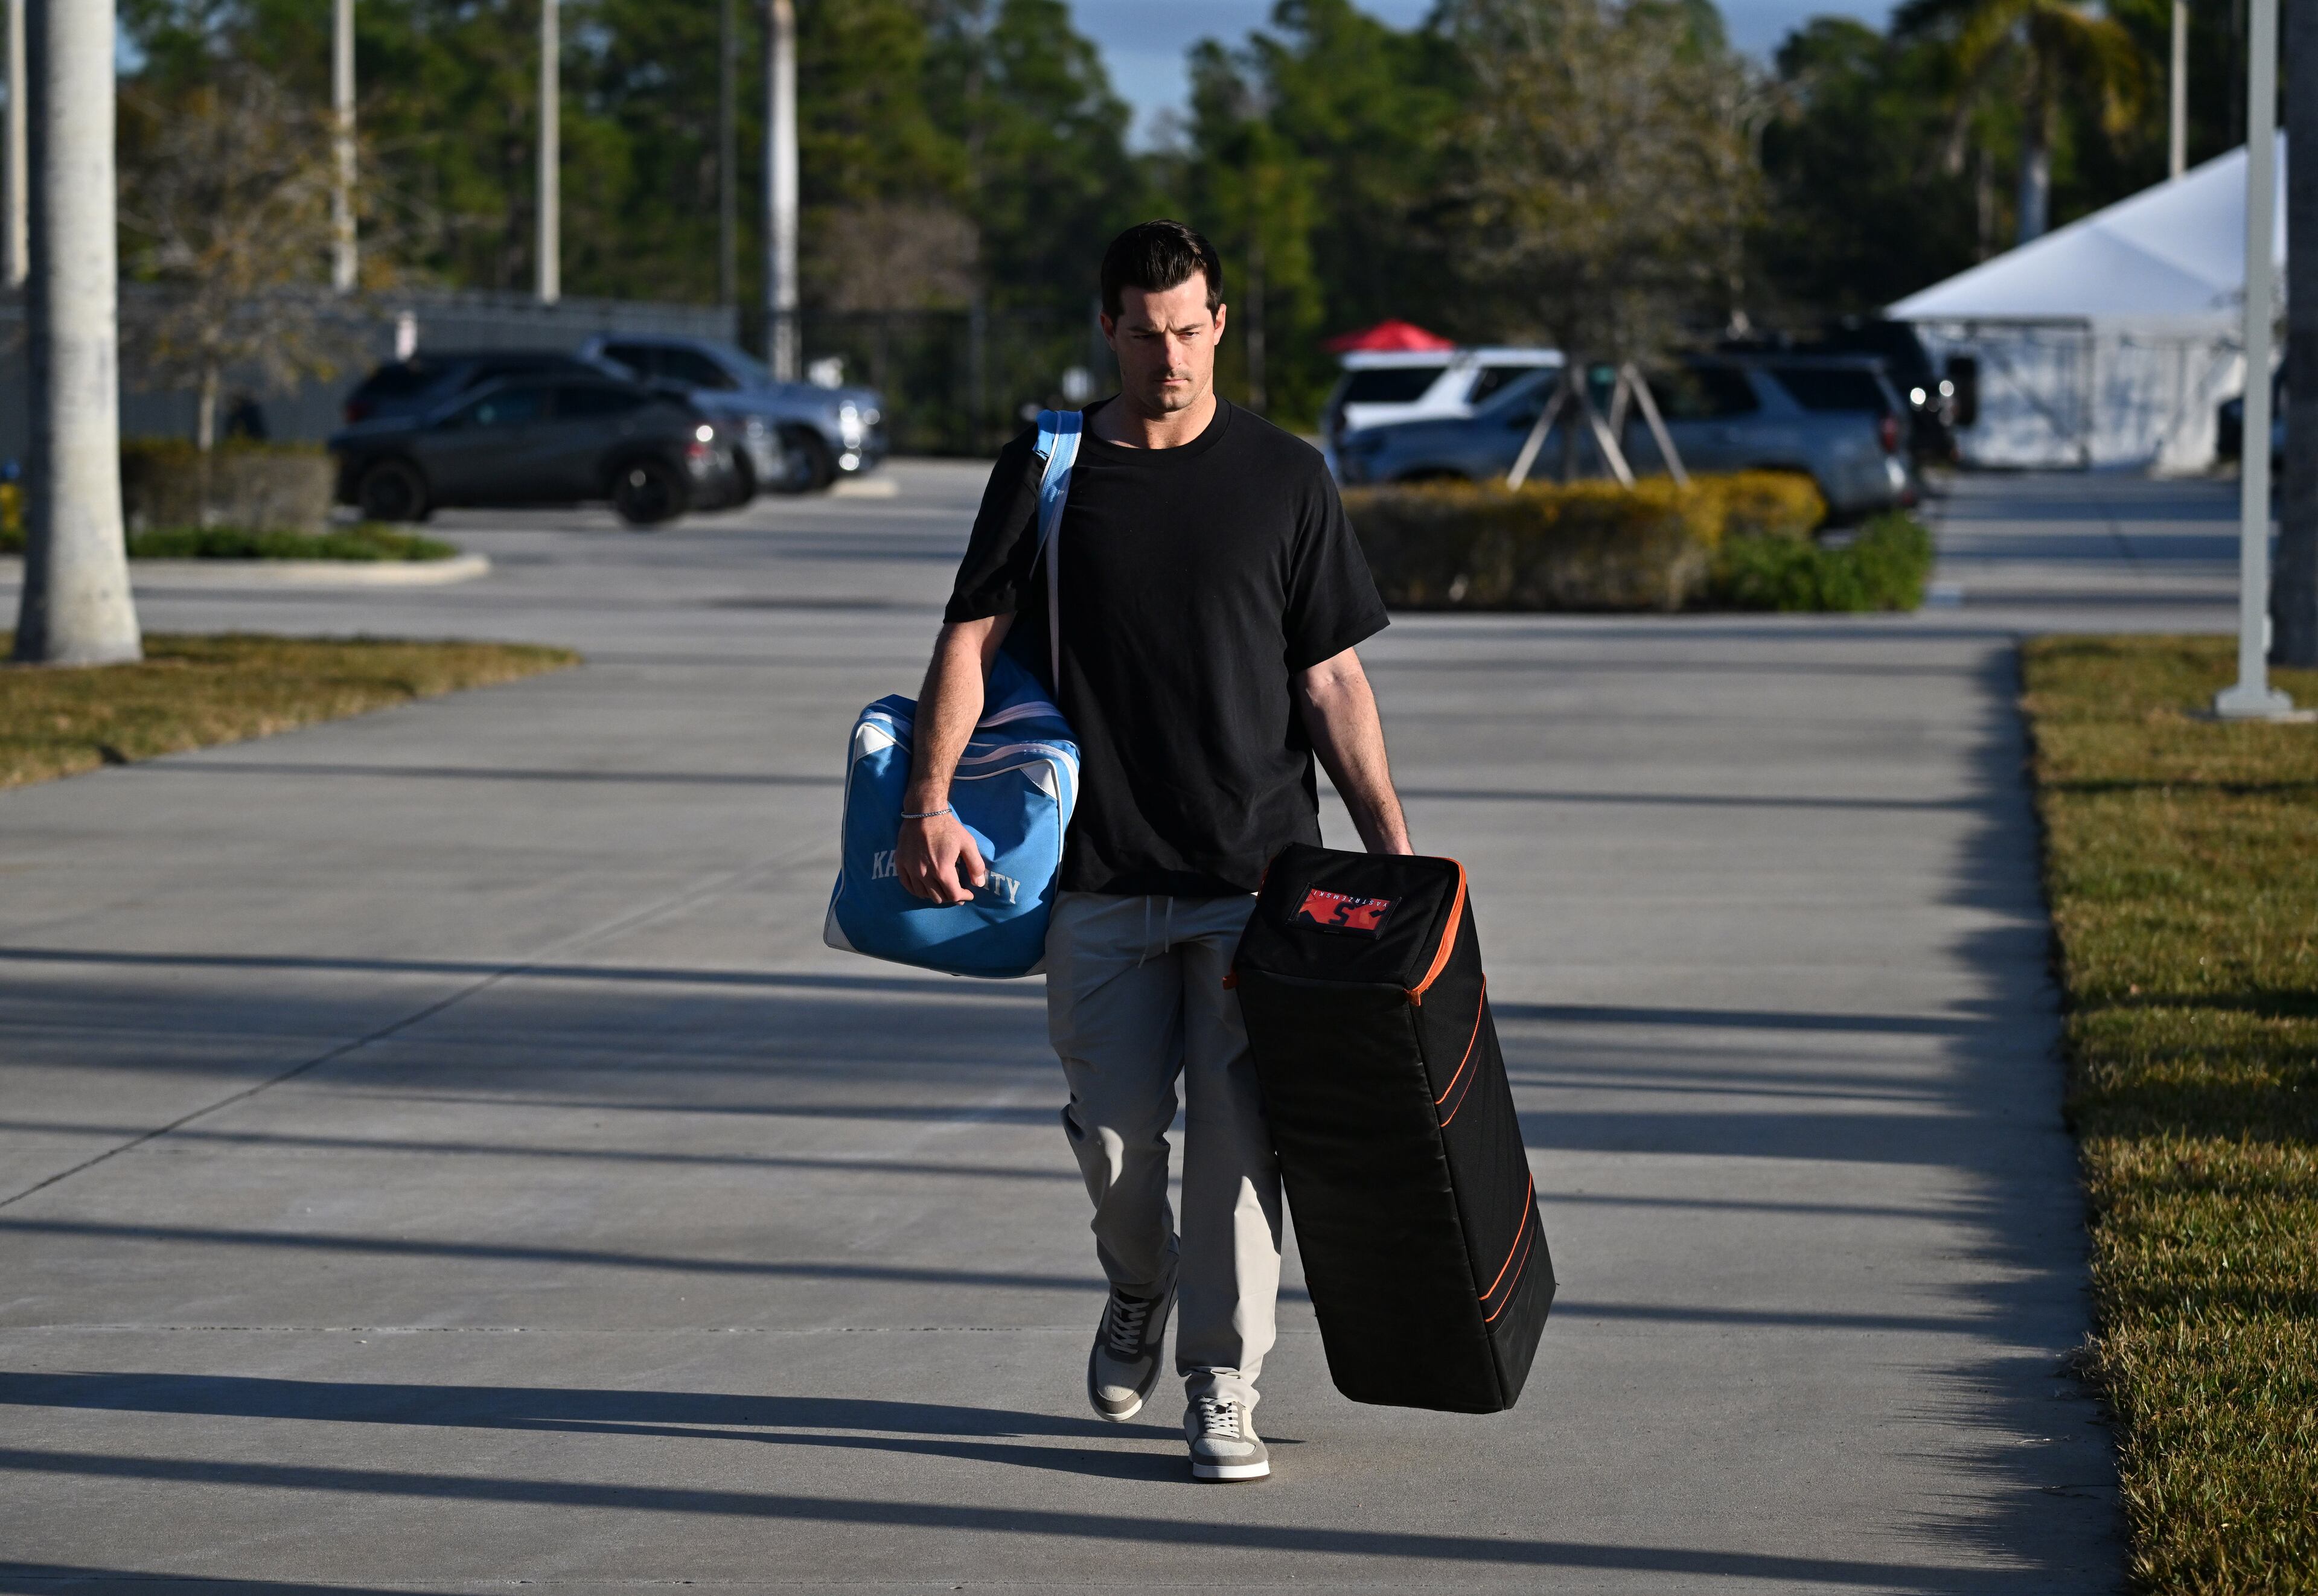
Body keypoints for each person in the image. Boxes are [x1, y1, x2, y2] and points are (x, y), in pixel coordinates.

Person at [896, 219, 1412, 1483]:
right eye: (1143, 333)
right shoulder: (1049, 468)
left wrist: (1392, 859)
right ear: (1108, 328)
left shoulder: (1286, 477)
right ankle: (1139, 1280)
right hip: (1099, 877)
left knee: (1240, 1148)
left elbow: (1332, 680)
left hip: (1254, 880)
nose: (1168, 358)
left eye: (1188, 331)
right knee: (1119, 1143)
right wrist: (928, 801)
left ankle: (1222, 1379)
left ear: (1220, 323)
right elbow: (970, 640)